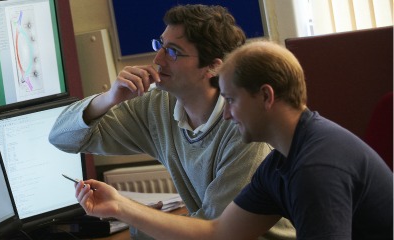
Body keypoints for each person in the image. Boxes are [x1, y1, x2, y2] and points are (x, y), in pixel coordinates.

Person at [73, 41, 394, 239]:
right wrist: (121, 207)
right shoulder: (281, 162)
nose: (226, 114)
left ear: (266, 96)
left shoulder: (316, 166)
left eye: (232, 100)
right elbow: (218, 232)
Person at [49, 4, 294, 239]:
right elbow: (61, 137)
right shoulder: (158, 105)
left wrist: (128, 212)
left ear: (213, 67)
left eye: (173, 51)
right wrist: (109, 98)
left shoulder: (244, 130)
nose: (158, 58)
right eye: (161, 44)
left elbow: (217, 232)